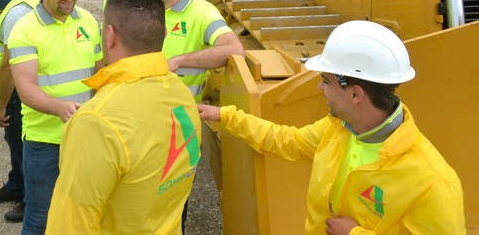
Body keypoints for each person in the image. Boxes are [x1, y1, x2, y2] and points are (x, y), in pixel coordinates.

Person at [198, 20, 466, 234]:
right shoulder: (338, 129)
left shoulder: (433, 183)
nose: (319, 87)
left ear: (355, 94)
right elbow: (287, 140)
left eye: (326, 81)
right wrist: (227, 116)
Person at [47, 0, 201, 234]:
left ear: (109, 36)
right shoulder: (182, 94)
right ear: (163, 34)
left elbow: (70, 225)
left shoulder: (97, 121)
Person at [8, 0, 102, 235]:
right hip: (44, 142)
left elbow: (100, 76)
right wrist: (60, 108)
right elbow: (26, 89)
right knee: (40, 219)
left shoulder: (88, 21)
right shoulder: (25, 29)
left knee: (83, 215)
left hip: (84, 137)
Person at [141, 0, 244, 102]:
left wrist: (178, 61)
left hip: (180, 112)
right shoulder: (140, 7)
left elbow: (234, 50)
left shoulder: (202, 12)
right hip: (141, 107)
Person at [0, 0, 41, 223]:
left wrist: (0, 104)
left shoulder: (18, 10)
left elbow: (9, 64)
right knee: (16, 142)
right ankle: (16, 185)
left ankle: (28, 199)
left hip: (18, 91)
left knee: (21, 145)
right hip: (29, 86)